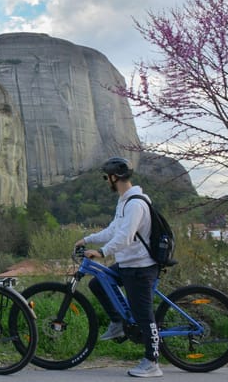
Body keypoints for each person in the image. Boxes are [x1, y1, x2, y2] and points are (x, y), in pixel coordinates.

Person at [75, 157, 162, 378]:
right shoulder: (124, 201)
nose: (106, 181)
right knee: (98, 283)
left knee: (144, 314)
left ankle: (152, 362)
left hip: (141, 267)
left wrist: (102, 252)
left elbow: (125, 236)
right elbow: (113, 229)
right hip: (127, 263)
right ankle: (118, 322)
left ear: (115, 177)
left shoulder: (135, 204)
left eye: (107, 177)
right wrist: (87, 239)